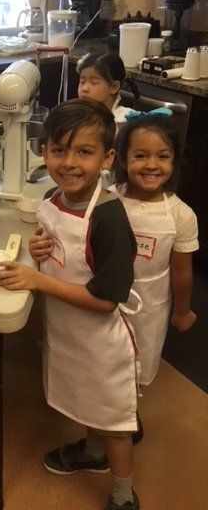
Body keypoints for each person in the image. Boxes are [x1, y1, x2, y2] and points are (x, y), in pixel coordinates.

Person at [0, 99, 141, 510]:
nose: (70, 163)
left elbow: (106, 300)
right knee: (85, 401)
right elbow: (63, 247)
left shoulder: (109, 218)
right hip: (68, 334)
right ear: (43, 152)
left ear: (108, 158)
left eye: (84, 152)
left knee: (114, 422)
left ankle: (122, 496)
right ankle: (92, 454)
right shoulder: (55, 195)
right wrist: (39, 247)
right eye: (59, 150)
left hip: (101, 343)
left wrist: (38, 279)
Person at [114, 111, 198, 387]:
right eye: (140, 155)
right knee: (104, 359)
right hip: (105, 295)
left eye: (162, 156)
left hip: (151, 305)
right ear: (124, 159)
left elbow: (182, 273)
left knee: (140, 358)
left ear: (174, 161)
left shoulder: (181, 215)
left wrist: (182, 310)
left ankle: (127, 414)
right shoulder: (108, 197)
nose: (152, 165)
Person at [77, 51, 135, 126]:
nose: (84, 88)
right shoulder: (76, 116)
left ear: (114, 87)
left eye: (94, 82)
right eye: (82, 82)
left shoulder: (125, 121)